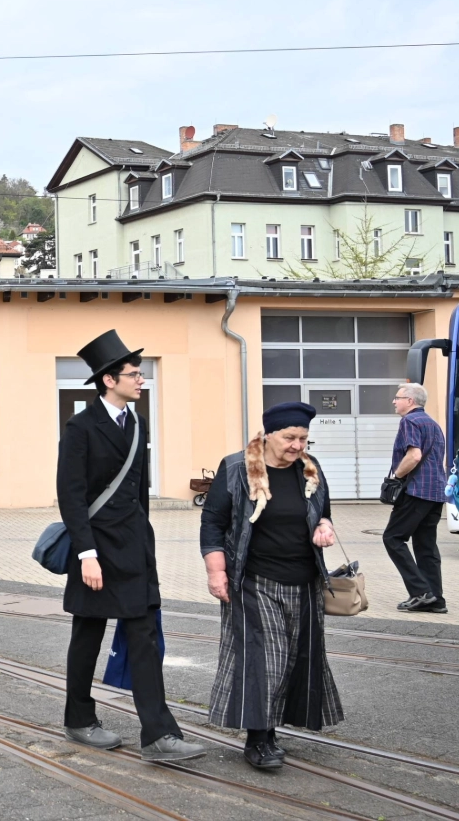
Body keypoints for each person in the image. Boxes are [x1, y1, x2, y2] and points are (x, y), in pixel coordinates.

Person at [58, 329, 203, 762]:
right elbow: (71, 494)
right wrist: (86, 554)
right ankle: (79, 720)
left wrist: (147, 547)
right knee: (87, 635)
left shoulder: (137, 423)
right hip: (96, 553)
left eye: (141, 374)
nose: (141, 380)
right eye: (134, 374)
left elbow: (138, 495)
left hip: (135, 551)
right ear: (109, 380)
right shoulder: (81, 426)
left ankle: (159, 734)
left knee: (144, 638)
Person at [201, 401, 343, 770]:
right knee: (266, 660)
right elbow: (212, 523)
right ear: (268, 435)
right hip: (254, 580)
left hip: (304, 581)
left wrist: (324, 526)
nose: (297, 446)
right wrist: (216, 572)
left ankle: (273, 728)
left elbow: (324, 511)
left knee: (297, 658)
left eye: (303, 439)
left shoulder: (311, 470)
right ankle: (259, 739)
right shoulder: (236, 468)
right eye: (290, 437)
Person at [385, 383, 447, 613]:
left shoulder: (409, 421)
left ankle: (421, 592)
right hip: (435, 492)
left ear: (410, 401)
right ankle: (435, 600)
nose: (394, 401)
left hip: (417, 490)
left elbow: (414, 455)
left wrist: (395, 478)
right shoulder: (432, 423)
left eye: (397, 397)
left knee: (392, 538)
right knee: (426, 546)